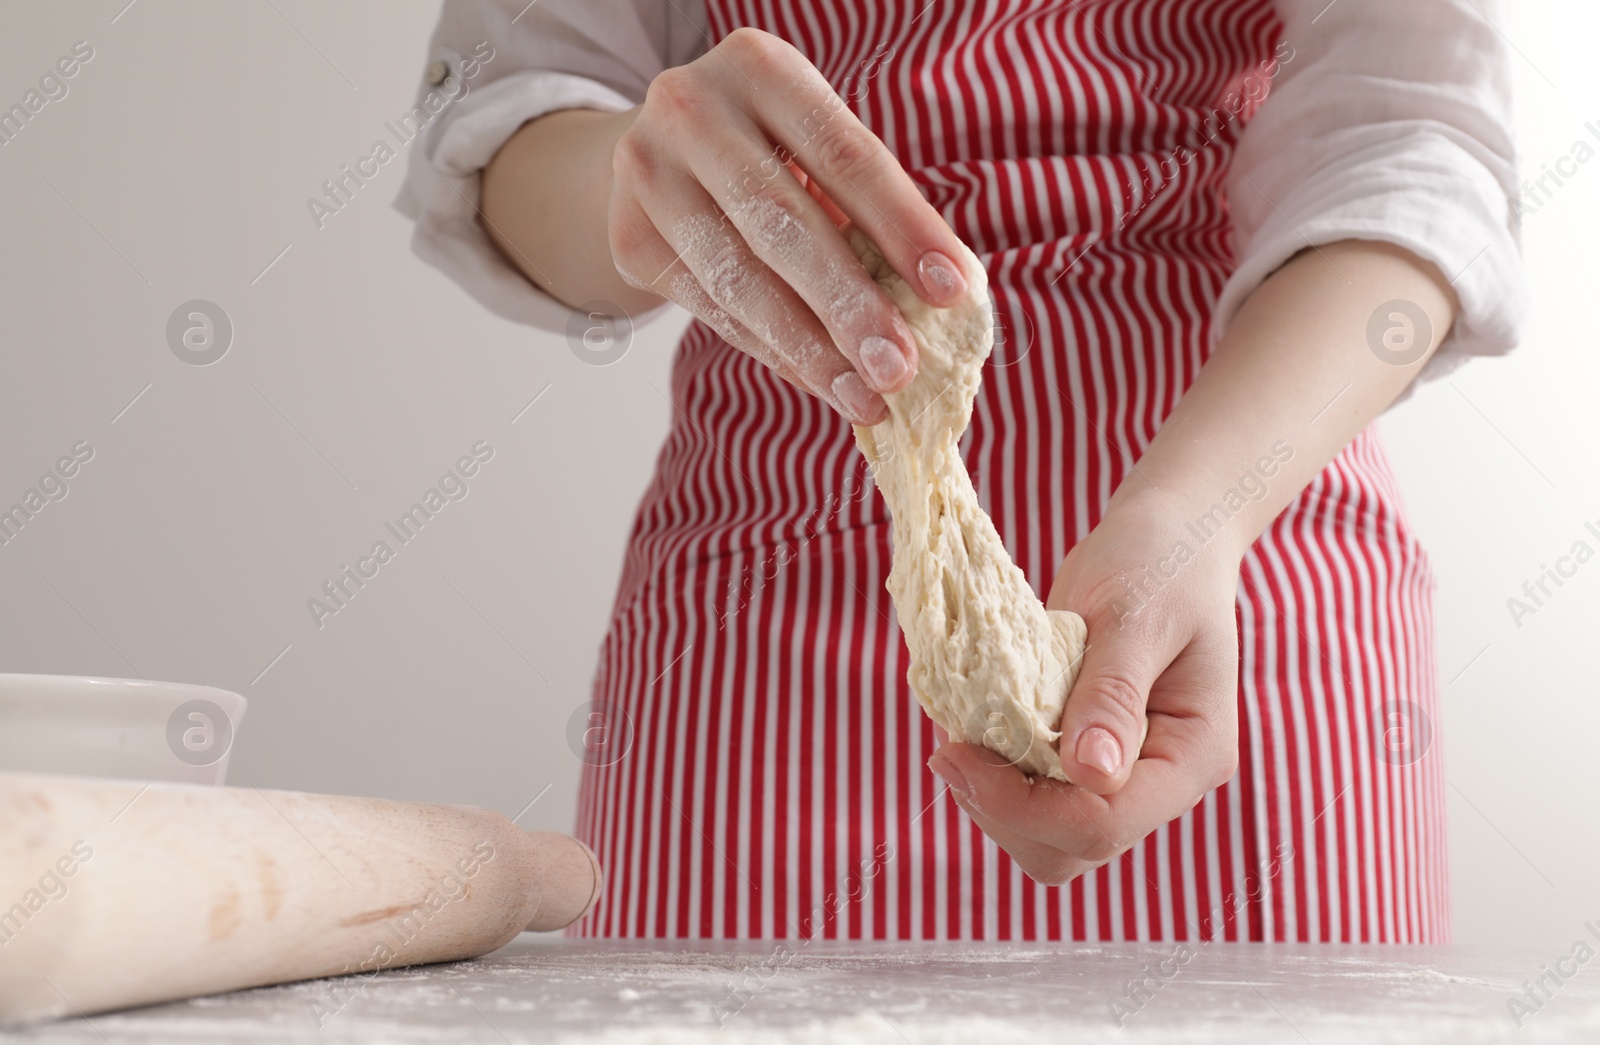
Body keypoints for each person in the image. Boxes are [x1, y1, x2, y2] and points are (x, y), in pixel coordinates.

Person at [396, 0, 1526, 941]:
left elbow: (1412, 145)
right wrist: (646, 184)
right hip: (767, 638)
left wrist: (1202, 511)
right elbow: (509, 112)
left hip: (1234, 595)